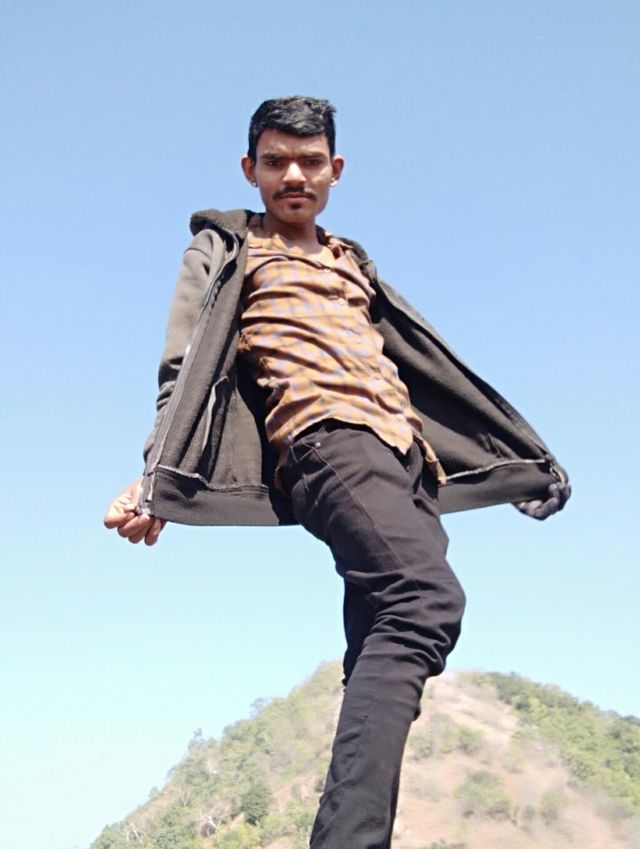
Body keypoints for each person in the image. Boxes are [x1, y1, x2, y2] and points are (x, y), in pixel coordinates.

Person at [104, 96, 570, 849]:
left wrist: (515, 463)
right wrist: (156, 474)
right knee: (424, 601)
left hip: (404, 457)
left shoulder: (351, 261)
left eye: (310, 161)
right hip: (327, 441)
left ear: (335, 170)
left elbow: (429, 367)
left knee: (382, 640)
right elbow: (182, 368)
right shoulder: (228, 248)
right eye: (276, 161)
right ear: (250, 169)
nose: (294, 175)